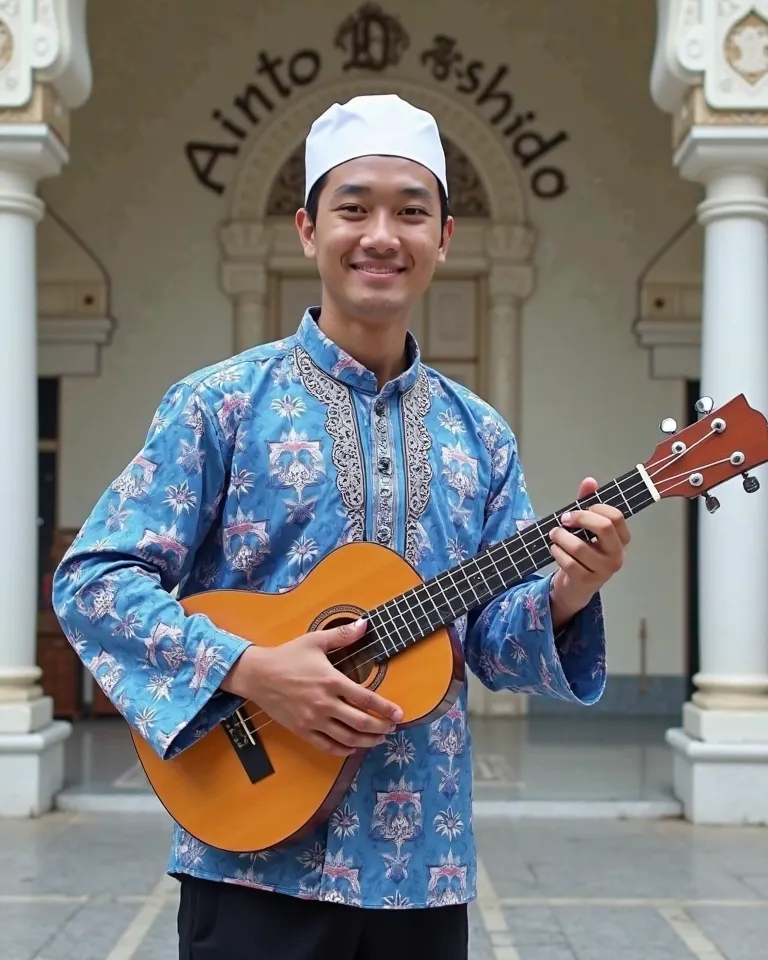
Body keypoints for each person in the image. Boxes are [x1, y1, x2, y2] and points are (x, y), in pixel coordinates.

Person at [52, 93, 630, 960]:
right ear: (305, 229)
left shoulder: (481, 437)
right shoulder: (220, 405)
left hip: (422, 866)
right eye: (353, 208)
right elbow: (92, 582)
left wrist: (571, 590)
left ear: (445, 238)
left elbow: (494, 647)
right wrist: (251, 670)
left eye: (410, 212)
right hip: (249, 860)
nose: (381, 236)